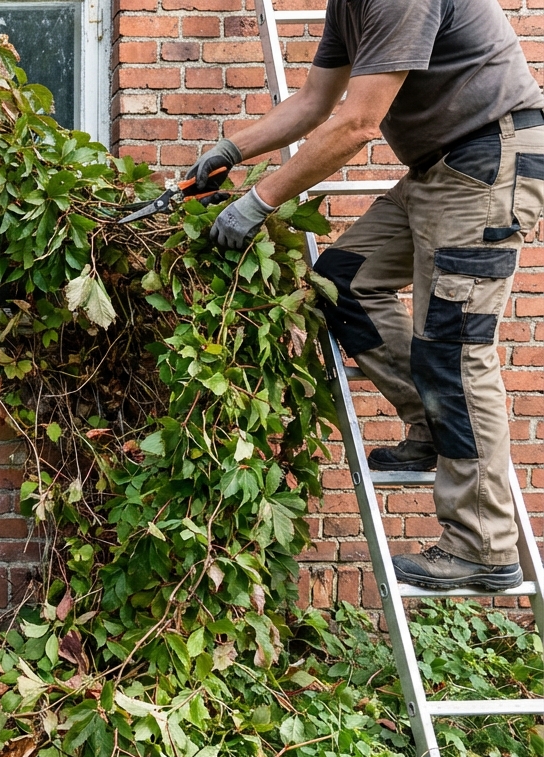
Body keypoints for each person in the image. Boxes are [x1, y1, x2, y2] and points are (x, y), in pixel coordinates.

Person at [188, 0, 544, 591]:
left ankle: (484, 547)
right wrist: (232, 151)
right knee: (344, 282)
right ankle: (430, 426)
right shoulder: (348, 5)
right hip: (437, 171)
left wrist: (259, 201)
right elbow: (314, 103)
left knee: (454, 349)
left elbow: (357, 124)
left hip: (487, 163)